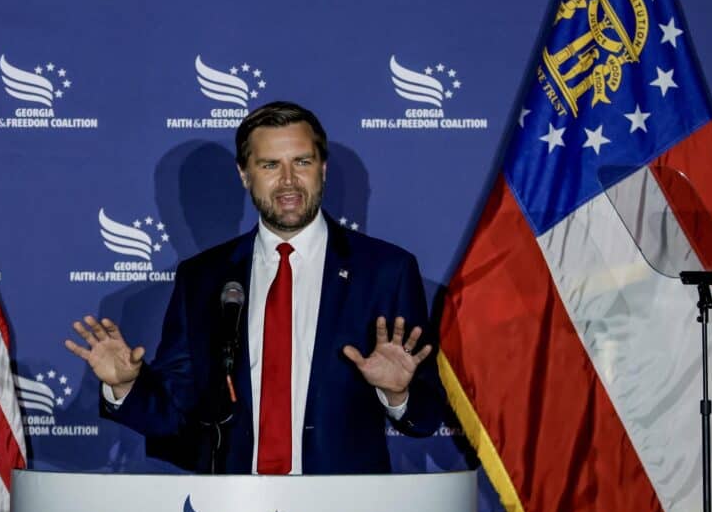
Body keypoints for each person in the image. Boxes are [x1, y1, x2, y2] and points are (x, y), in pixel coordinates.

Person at [65, 101, 447, 474]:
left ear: (323, 169)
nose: (288, 181)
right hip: (234, 508)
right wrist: (128, 386)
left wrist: (399, 393)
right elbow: (177, 410)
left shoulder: (384, 270)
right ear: (245, 175)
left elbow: (426, 416)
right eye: (269, 165)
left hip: (344, 507)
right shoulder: (202, 277)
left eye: (302, 162)